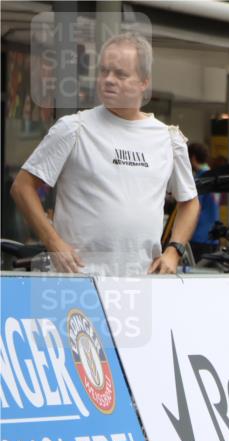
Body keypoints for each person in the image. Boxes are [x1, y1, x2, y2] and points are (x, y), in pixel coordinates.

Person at [9, 33, 198, 276]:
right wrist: (53, 242)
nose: (108, 80)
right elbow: (22, 187)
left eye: (120, 74)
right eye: (103, 71)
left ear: (144, 82)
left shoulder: (169, 139)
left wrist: (174, 251)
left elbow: (190, 202)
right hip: (78, 282)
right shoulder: (73, 128)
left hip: (142, 284)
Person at [187, 142, 220, 260]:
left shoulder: (199, 180)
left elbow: (195, 209)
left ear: (193, 158)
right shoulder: (214, 177)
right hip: (213, 236)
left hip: (199, 237)